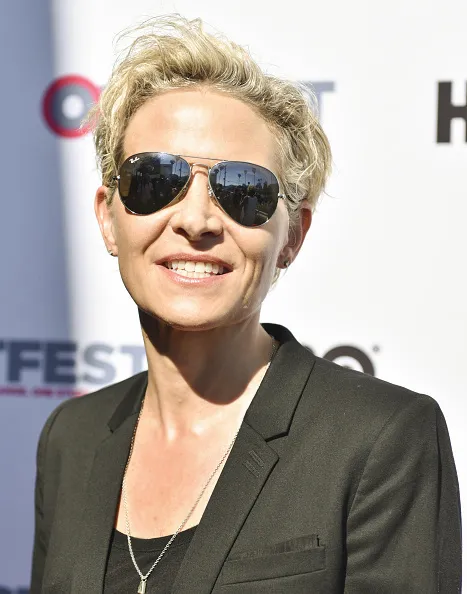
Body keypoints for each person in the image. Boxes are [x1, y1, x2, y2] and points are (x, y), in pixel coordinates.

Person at [30, 15, 462, 594]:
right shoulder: (71, 438)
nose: (196, 220)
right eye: (155, 179)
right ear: (109, 219)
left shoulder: (381, 439)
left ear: (292, 236)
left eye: (242, 190)